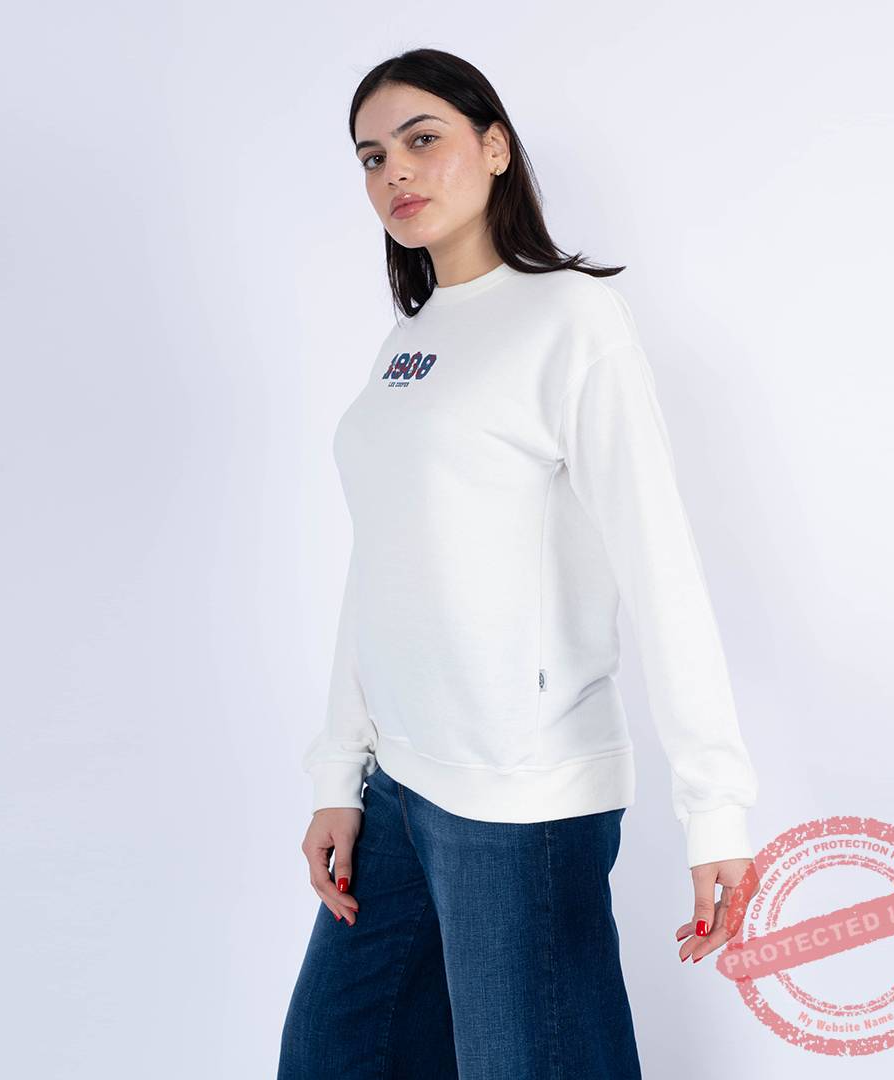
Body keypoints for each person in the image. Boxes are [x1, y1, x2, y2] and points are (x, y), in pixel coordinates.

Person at [277, 47, 761, 1080]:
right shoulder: (408, 342)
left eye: (422, 139)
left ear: (495, 147)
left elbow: (659, 562)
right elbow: (380, 563)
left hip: (521, 800)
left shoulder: (570, 319)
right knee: (328, 1056)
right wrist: (339, 772)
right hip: (400, 789)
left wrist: (715, 805)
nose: (395, 173)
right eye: (372, 157)